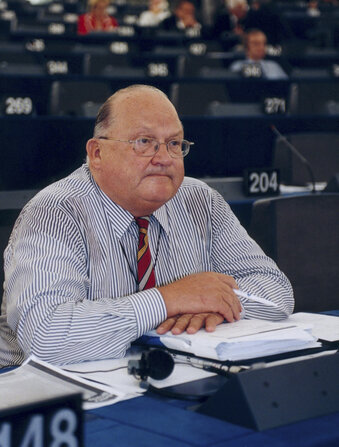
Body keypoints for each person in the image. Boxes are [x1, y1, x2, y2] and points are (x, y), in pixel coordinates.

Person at [0, 84, 294, 367]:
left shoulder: (201, 201)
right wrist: (168, 300)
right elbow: (46, 336)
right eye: (144, 142)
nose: (164, 158)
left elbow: (278, 293)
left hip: (164, 377)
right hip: (43, 392)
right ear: (97, 153)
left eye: (174, 143)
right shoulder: (56, 212)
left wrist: (212, 304)